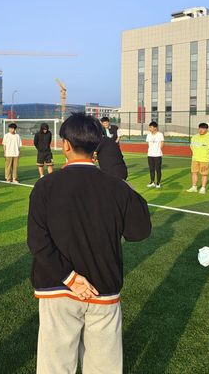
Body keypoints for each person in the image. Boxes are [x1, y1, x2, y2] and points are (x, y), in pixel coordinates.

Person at [27, 113, 151, 374]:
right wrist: (119, 178)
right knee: (104, 367)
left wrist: (70, 278)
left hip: (58, 287)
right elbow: (140, 231)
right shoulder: (116, 187)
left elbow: (37, 242)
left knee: (55, 366)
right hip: (102, 286)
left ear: (66, 145)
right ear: (97, 147)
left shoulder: (45, 186)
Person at [187, 122, 209, 194]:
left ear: (206, 129)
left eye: (203, 129)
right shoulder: (194, 137)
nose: (201, 130)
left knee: (204, 174)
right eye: (200, 128)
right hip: (195, 158)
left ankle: (203, 188)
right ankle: (194, 187)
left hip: (205, 159)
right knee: (194, 173)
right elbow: (191, 146)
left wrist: (207, 153)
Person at [145, 121, 164, 188]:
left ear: (155, 128)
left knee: (158, 169)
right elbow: (148, 144)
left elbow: (162, 143)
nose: (150, 128)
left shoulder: (160, 134)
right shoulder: (148, 135)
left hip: (158, 155)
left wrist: (158, 150)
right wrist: (151, 150)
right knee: (151, 169)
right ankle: (152, 182)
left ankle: (158, 183)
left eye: (151, 127)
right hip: (150, 154)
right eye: (149, 127)